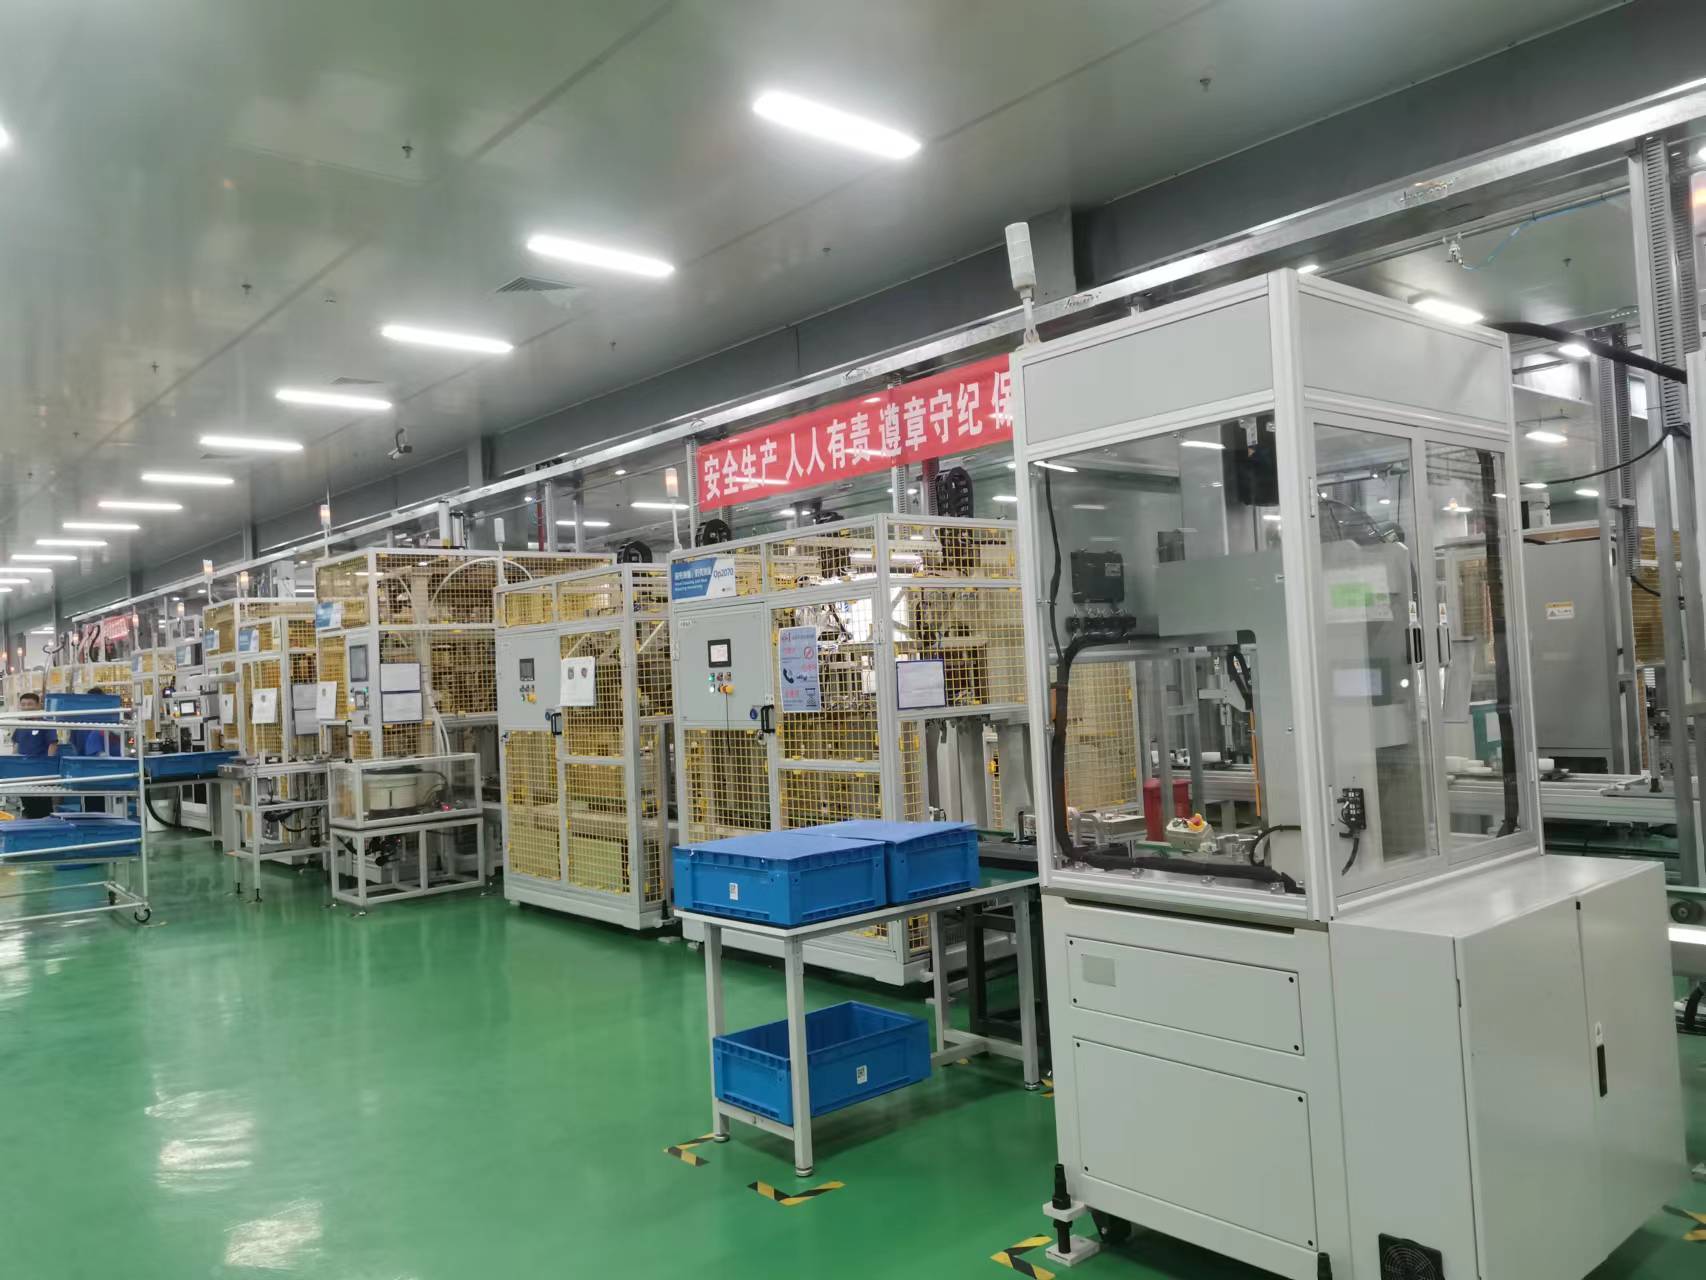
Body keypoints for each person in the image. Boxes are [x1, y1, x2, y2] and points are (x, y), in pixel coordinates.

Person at [9, 691, 57, 819]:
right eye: (23, 704)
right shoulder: (20, 725)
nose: (26, 707)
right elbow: (16, 746)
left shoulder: (46, 724)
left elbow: (52, 745)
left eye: (30, 704)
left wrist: (49, 769)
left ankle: (45, 827)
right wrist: (13, 766)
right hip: (24, 772)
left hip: (40, 772)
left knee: (43, 806)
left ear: (38, 705)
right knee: (28, 805)